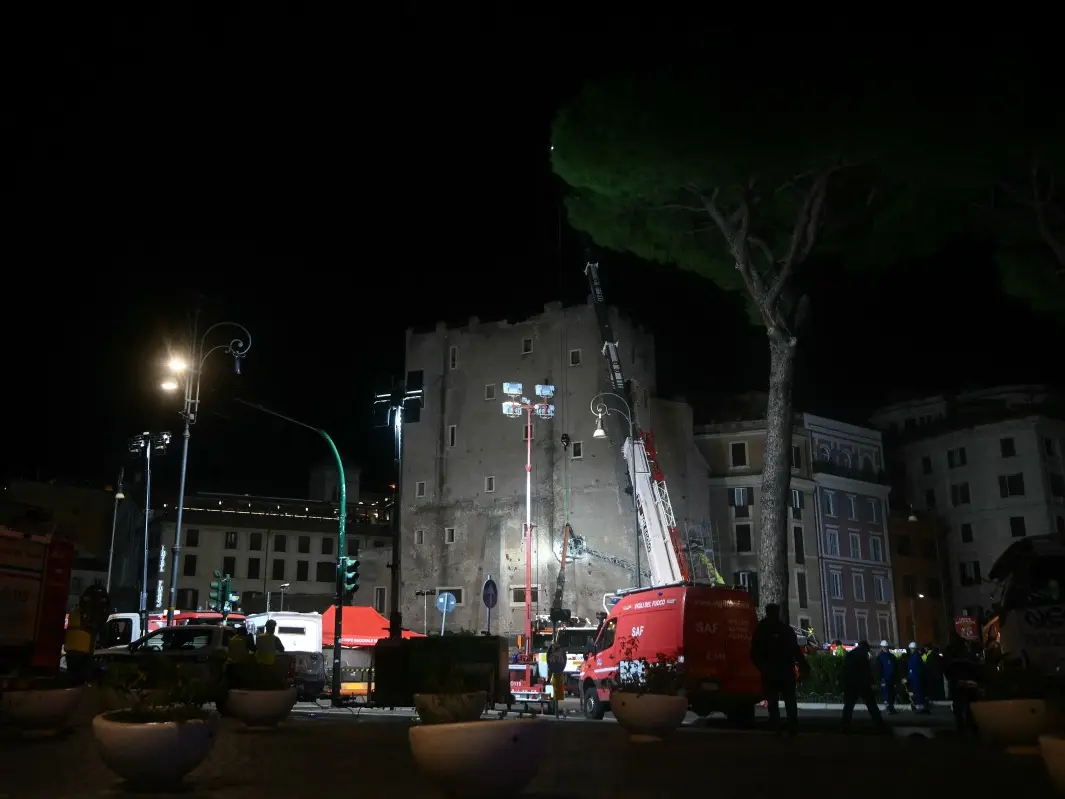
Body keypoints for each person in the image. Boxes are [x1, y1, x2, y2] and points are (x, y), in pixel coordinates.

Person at [750, 603, 807, 736]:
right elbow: (796, 650)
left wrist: (762, 667)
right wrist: (803, 665)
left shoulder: (762, 629)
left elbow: (754, 652)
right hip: (785, 671)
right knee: (789, 700)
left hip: (771, 671)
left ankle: (776, 726)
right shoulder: (785, 629)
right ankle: (792, 725)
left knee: (773, 701)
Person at [841, 641, 889, 734]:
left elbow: (845, 670)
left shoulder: (850, 654)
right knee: (871, 704)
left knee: (849, 706)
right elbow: (866, 670)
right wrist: (871, 681)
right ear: (865, 648)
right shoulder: (862, 655)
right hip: (862, 684)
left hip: (851, 684)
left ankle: (845, 724)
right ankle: (879, 723)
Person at [943, 633, 979, 736]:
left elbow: (946, 668)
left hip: (956, 683)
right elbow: (973, 666)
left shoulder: (950, 652)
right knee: (967, 706)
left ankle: (962, 728)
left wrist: (952, 679)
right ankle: (970, 727)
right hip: (966, 683)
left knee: (959, 708)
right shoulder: (965, 651)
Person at [64, 605, 94, 686]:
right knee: (81, 677)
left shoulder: (73, 611)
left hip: (70, 649)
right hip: (83, 649)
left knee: (71, 675)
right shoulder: (88, 612)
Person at [905, 642, 930, 714]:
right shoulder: (915, 656)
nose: (911, 650)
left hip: (916, 678)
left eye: (912, 649)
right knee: (916, 692)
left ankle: (920, 707)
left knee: (918, 692)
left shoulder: (915, 657)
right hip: (914, 678)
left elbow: (915, 668)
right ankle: (919, 706)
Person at [876, 640, 898, 713]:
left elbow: (895, 667)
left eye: (885, 647)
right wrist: (881, 678)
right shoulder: (880, 657)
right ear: (881, 647)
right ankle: (888, 708)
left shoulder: (891, 656)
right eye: (884, 647)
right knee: (886, 694)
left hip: (891, 678)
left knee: (891, 694)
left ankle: (891, 707)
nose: (885, 648)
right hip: (885, 679)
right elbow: (878, 669)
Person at [546, 642, 567, 718]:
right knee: (556, 694)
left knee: (556, 694)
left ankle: (556, 713)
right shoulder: (557, 655)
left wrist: (548, 680)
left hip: (557, 675)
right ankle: (556, 712)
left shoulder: (554, 657)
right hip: (557, 674)